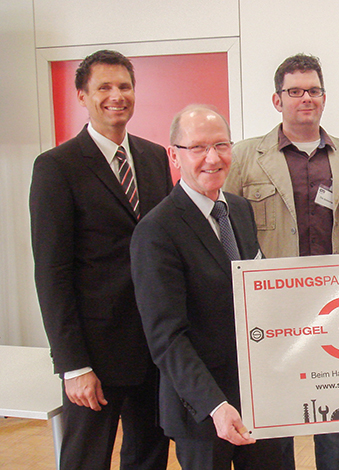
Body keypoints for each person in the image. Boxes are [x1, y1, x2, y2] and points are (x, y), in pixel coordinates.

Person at [223, 53, 339, 470]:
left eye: (313, 90)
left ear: (324, 97)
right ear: (277, 99)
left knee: (338, 422)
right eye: (295, 91)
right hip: (272, 313)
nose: (306, 98)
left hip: (337, 311)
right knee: (275, 422)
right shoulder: (244, 157)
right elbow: (225, 230)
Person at [29, 50, 171, 470]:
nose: (116, 96)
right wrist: (73, 365)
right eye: (103, 87)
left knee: (149, 455)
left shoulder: (153, 157)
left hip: (153, 346)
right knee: (85, 459)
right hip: (95, 352)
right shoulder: (56, 167)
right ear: (82, 96)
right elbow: (51, 272)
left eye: (124, 86)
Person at [130, 105, 289, 469]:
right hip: (202, 412)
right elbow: (166, 338)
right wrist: (215, 405)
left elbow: (258, 293)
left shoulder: (240, 210)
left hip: (258, 398)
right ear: (174, 155)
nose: (213, 158)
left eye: (221, 145)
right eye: (198, 147)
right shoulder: (156, 231)